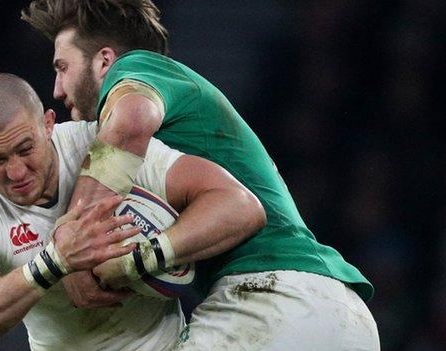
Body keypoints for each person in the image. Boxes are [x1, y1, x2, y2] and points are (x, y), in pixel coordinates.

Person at [22, 1, 380, 349]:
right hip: (340, 313)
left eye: (62, 67)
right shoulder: (176, 122)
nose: (56, 89)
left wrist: (75, 237)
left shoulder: (137, 67)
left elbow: (131, 119)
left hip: (274, 300)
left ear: (104, 61)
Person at [0, 73, 265, 350]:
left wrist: (145, 258)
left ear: (49, 123)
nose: (16, 171)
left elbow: (241, 207)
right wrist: (56, 262)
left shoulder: (103, 148)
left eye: (26, 148)